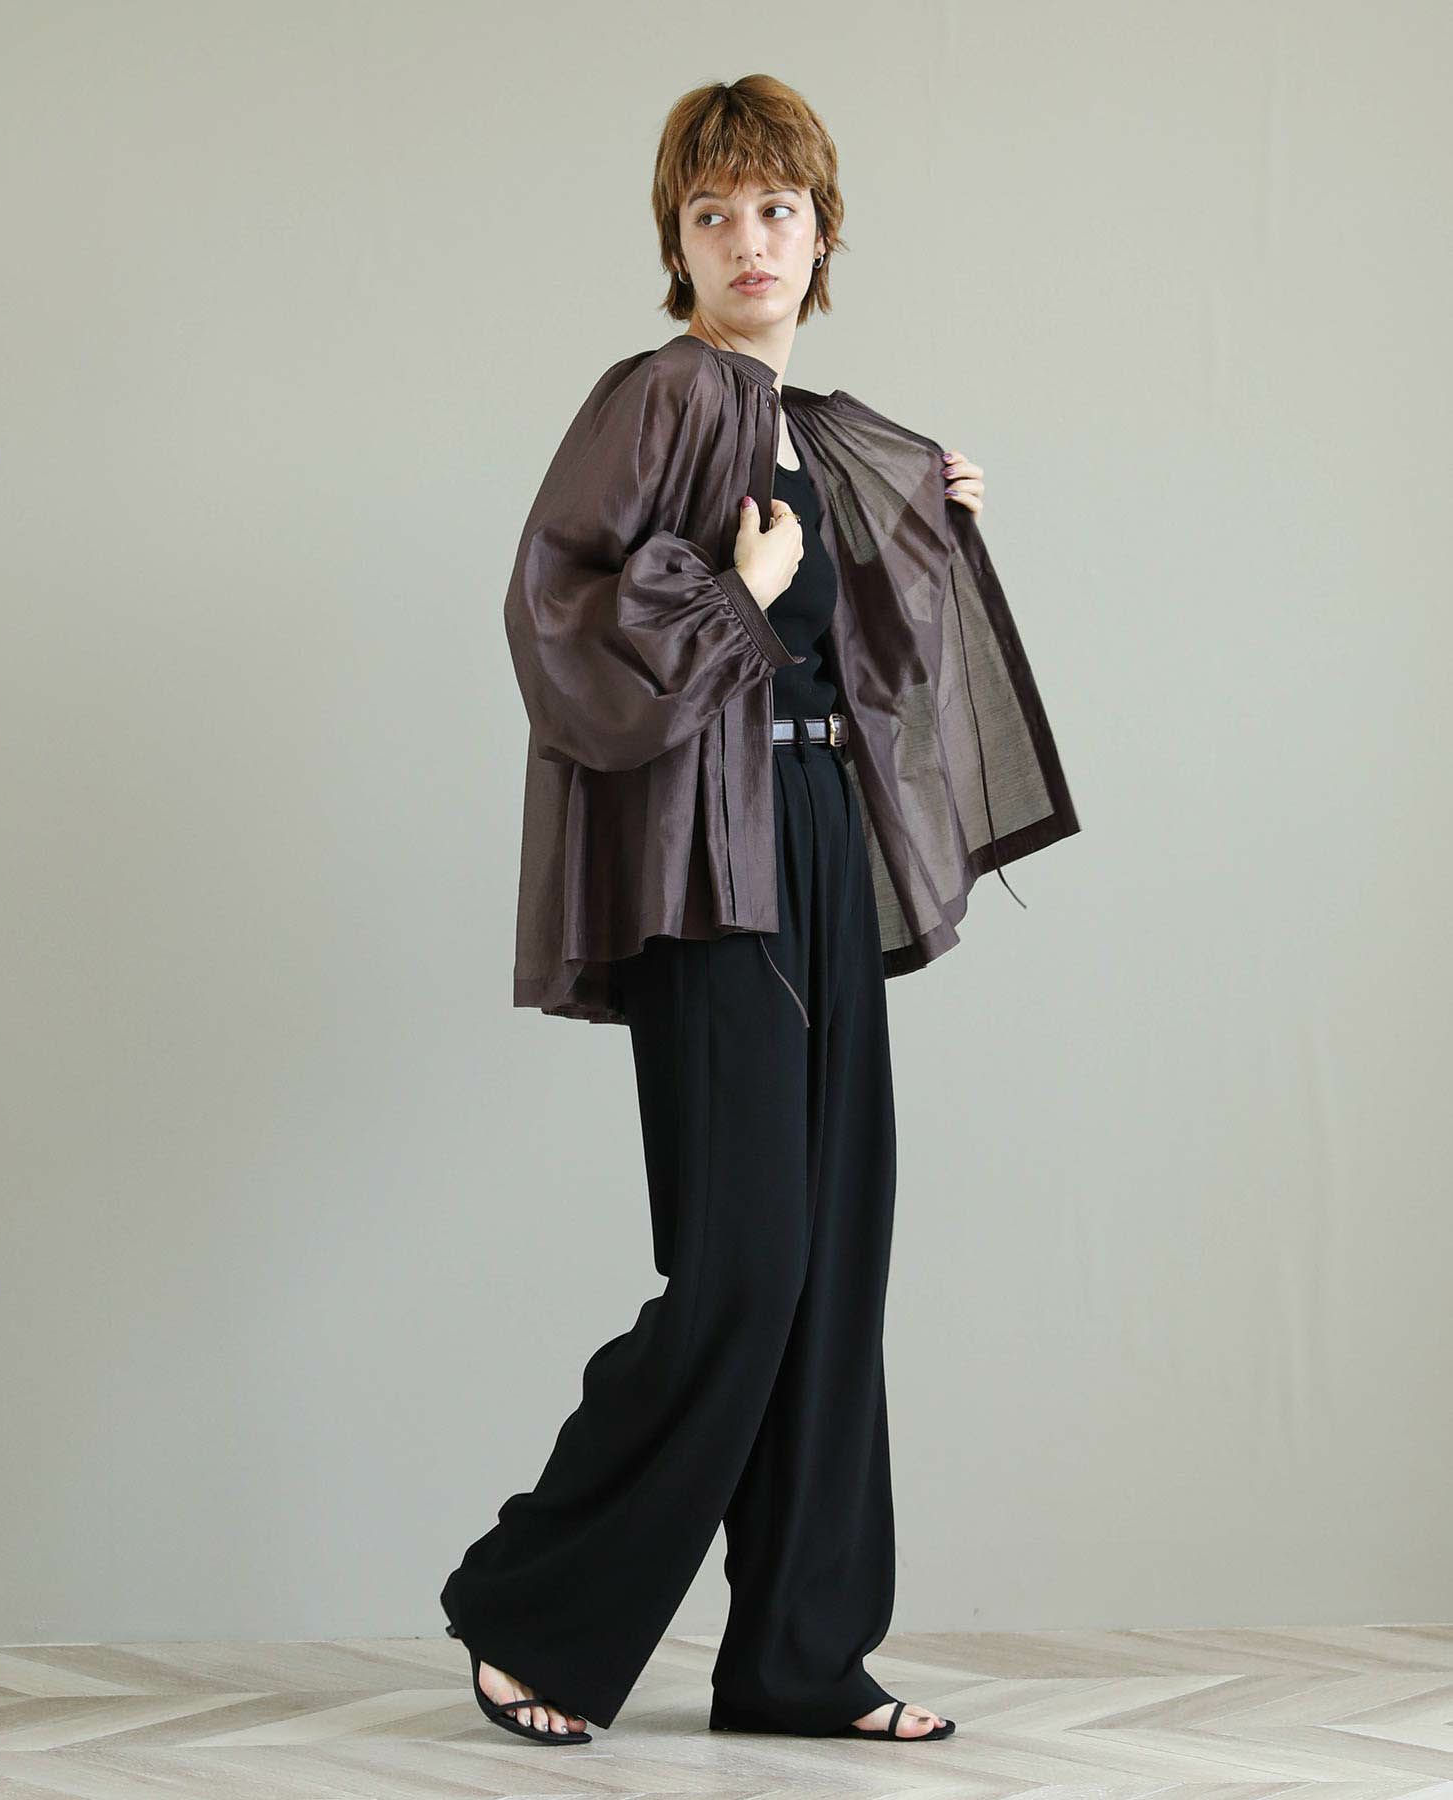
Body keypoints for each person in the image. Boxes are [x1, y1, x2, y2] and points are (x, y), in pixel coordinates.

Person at [440, 73, 1079, 1748]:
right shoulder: (659, 394)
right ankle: (529, 1608)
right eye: (712, 212)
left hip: (815, 845)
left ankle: (798, 1659)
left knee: (834, 1262)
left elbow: (864, 673)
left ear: (822, 231)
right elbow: (556, 617)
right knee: (745, 1266)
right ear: (678, 240)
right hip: (707, 866)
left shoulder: (822, 428)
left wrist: (929, 533)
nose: (748, 240)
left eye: (776, 209)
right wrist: (734, 592)